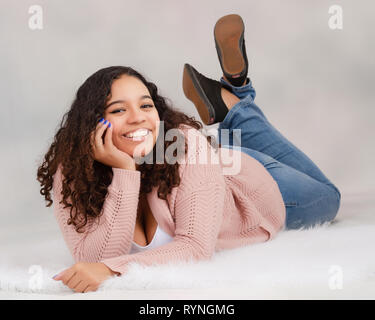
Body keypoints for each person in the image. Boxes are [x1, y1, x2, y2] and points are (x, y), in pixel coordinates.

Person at [37, 14, 340, 293]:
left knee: (328, 198)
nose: (138, 117)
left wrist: (111, 271)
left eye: (146, 105)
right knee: (209, 152)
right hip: (210, 166)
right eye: (118, 109)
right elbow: (95, 260)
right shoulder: (73, 169)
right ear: (92, 122)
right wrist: (125, 171)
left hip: (246, 183)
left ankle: (237, 101)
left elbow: (195, 248)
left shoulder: (184, 144)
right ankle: (236, 97)